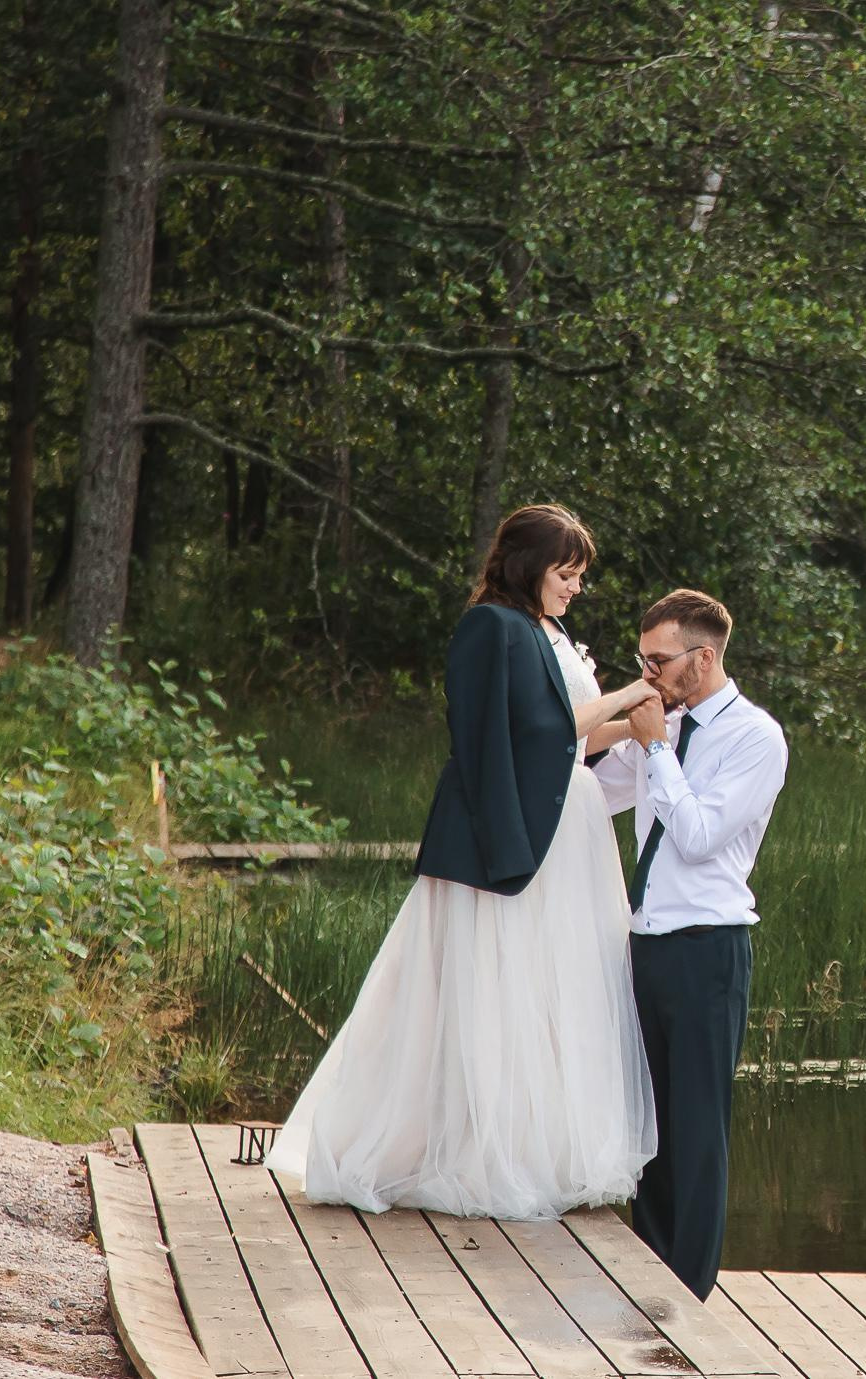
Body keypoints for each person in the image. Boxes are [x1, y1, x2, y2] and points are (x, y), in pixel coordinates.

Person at [271, 504, 659, 1218]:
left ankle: (540, 1150)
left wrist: (635, 726)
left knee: (553, 990)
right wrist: (629, 691)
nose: (575, 587)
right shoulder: (490, 627)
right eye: (565, 573)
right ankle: (468, 1153)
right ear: (528, 565)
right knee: (489, 988)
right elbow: (522, 733)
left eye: (579, 577)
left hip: (570, 827)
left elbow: (571, 742)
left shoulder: (553, 631)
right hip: (501, 829)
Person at [590, 588, 787, 1301]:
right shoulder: (656, 726)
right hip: (644, 944)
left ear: (702, 658)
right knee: (650, 1122)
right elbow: (593, 788)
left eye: (658, 660)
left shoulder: (754, 738)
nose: (648, 673)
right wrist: (602, 721)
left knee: (698, 1127)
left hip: (708, 946)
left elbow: (700, 836)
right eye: (641, 658)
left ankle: (691, 1292)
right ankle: (649, 1272)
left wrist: (656, 749)